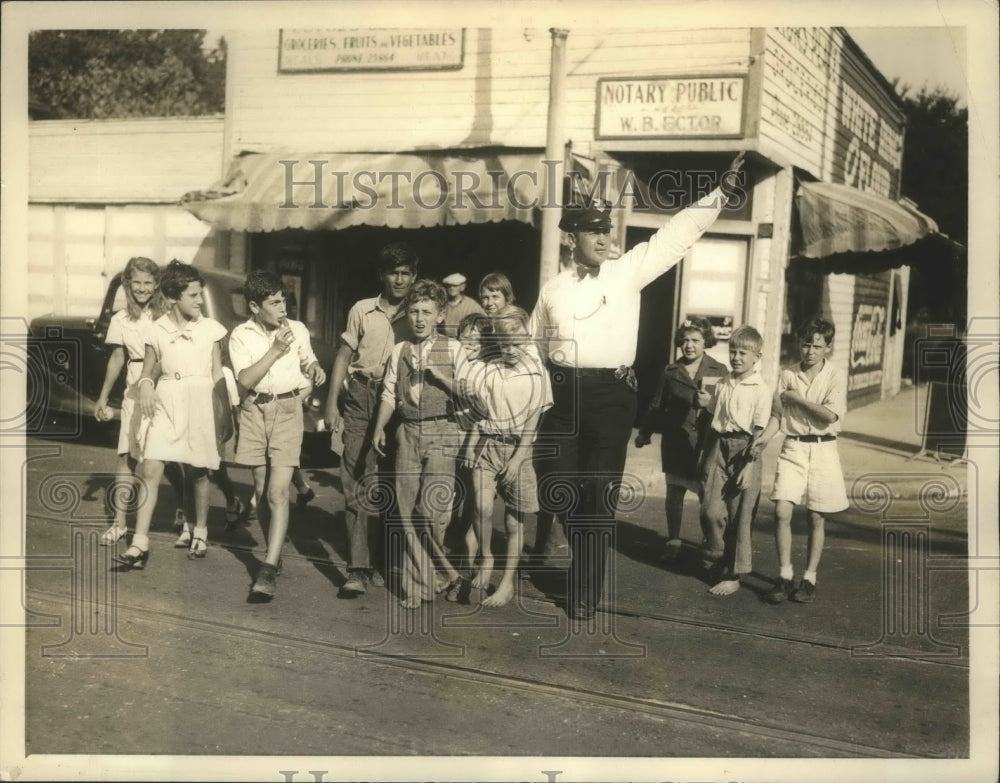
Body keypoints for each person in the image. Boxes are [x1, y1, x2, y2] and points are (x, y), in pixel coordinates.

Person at [529, 152, 746, 621]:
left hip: (611, 397)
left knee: (598, 492)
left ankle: (584, 589)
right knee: (553, 484)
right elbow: (534, 348)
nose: (605, 239)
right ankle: (581, 544)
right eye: (594, 232)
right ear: (572, 238)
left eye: (608, 231)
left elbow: (675, 237)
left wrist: (719, 197)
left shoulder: (627, 271)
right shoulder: (553, 290)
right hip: (563, 396)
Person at [114, 261, 229, 569]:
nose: (199, 300)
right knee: (150, 467)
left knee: (197, 471)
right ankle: (140, 542)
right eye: (193, 295)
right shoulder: (157, 329)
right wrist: (147, 385)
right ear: (175, 297)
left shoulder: (211, 330)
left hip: (200, 400)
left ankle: (200, 531)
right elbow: (148, 370)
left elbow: (218, 374)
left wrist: (225, 414)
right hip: (165, 402)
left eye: (200, 294)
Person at [324, 242, 418, 596]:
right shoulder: (362, 310)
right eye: (393, 272)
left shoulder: (419, 312)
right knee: (356, 480)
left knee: (397, 485)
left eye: (406, 272)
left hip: (400, 402)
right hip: (361, 398)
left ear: (414, 276)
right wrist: (331, 404)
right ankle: (358, 567)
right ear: (382, 275)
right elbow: (343, 356)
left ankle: (386, 561)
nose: (399, 279)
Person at [229, 271, 326, 599]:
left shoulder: (297, 329)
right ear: (255, 306)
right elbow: (244, 381)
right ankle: (274, 549)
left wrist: (314, 368)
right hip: (254, 412)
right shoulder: (240, 335)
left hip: (287, 411)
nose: (283, 307)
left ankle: (268, 567)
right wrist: (274, 350)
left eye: (283, 299)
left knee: (278, 492)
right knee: (260, 489)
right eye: (274, 302)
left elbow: (307, 359)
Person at [371, 279, 464, 609]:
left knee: (430, 510)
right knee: (406, 511)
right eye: (414, 312)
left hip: (442, 432)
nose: (419, 319)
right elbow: (388, 394)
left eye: (427, 312)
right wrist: (380, 427)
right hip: (407, 432)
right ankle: (421, 583)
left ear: (440, 315)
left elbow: (470, 394)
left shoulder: (454, 350)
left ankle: (440, 574)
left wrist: (439, 375)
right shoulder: (400, 350)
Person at [458, 307, 552, 607]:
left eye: (517, 342)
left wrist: (516, 459)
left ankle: (507, 583)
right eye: (505, 343)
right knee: (482, 508)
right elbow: (479, 414)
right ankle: (486, 558)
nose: (511, 350)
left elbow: (532, 421)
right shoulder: (489, 368)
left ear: (526, 339)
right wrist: (472, 445)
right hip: (488, 445)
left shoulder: (537, 373)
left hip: (518, 452)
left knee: (513, 522)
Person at [95, 257, 184, 544]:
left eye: (148, 283)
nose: (142, 289)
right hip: (133, 387)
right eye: (137, 283)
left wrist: (155, 382)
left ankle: (184, 513)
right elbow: (118, 357)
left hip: (164, 385)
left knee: (166, 458)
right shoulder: (121, 319)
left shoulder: (166, 315)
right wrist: (103, 397)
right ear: (128, 285)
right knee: (126, 457)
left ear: (156, 284)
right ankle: (120, 523)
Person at [760, 318, 849, 604]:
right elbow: (777, 415)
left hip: (824, 450)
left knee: (816, 517)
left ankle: (809, 578)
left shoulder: (835, 375)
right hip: (793, 448)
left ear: (828, 348)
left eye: (817, 345)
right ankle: (784, 575)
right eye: (805, 344)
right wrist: (761, 440)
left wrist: (797, 400)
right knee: (782, 512)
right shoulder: (788, 375)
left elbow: (828, 416)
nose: (809, 351)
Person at [635, 317, 728, 562]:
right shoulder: (671, 371)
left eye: (695, 340)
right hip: (676, 438)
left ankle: (709, 541)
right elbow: (657, 405)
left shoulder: (719, 370)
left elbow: (728, 407)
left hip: (706, 442)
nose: (689, 345)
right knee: (674, 491)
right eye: (685, 340)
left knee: (705, 494)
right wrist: (645, 432)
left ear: (706, 341)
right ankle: (674, 539)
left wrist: (710, 406)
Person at [698, 325, 772, 596]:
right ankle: (716, 554)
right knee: (711, 509)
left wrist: (750, 465)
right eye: (733, 351)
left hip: (745, 449)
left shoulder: (761, 389)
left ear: (757, 357)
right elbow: (716, 419)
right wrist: (706, 457)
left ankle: (733, 574)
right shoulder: (724, 382)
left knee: (740, 517)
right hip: (718, 445)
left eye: (743, 353)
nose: (737, 357)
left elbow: (760, 430)